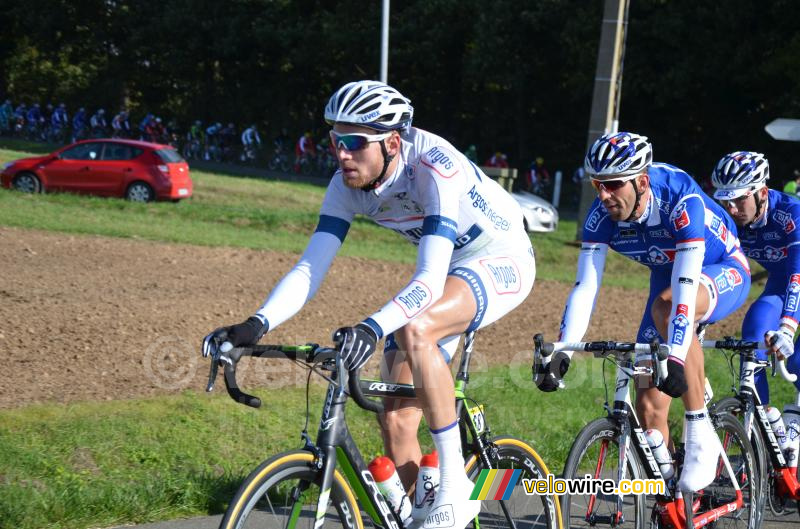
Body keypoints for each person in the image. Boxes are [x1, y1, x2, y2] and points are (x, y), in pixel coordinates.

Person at [203, 80, 535, 529]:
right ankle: (426, 514)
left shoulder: (434, 168)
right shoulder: (345, 185)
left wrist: (371, 327)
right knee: (397, 424)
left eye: (355, 142)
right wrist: (255, 325)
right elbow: (309, 268)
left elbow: (429, 279)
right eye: (336, 140)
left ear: (393, 142)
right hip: (449, 266)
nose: (342, 153)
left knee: (416, 328)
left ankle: (457, 487)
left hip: (500, 258)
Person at [537, 132, 751, 493]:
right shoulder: (601, 214)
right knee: (649, 405)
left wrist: (678, 356)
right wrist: (563, 350)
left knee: (666, 311)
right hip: (667, 278)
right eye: (597, 184)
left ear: (641, 181)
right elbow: (585, 287)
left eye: (613, 185)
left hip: (719, 268)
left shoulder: (679, 198)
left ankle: (700, 434)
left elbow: (683, 289)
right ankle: (671, 493)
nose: (603, 195)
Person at [710, 151, 800, 402]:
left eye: (739, 200)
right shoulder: (729, 220)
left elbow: (797, 273)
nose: (732, 209)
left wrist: (787, 327)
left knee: (797, 363)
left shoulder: (791, 214)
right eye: (726, 201)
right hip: (782, 283)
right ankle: (762, 421)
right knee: (753, 335)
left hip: (795, 278)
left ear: (762, 193)